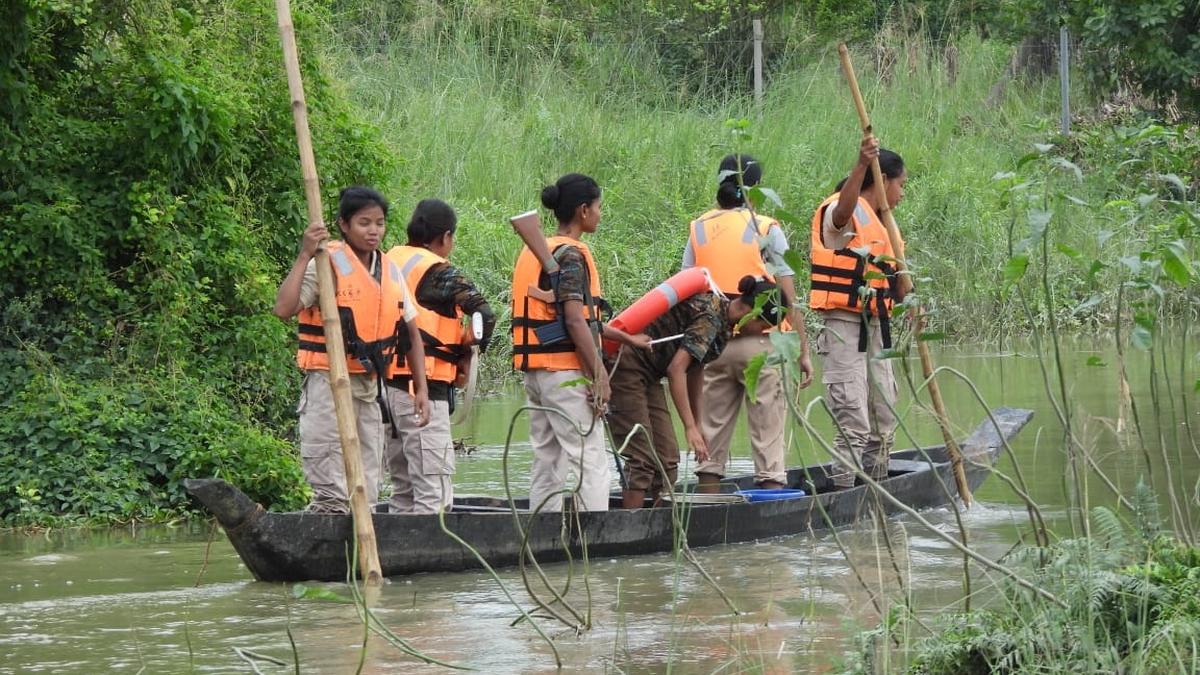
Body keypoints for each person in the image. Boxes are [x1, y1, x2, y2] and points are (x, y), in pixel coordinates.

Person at [273, 186, 430, 514]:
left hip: (368, 387)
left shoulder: (390, 271)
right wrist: (304, 254)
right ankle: (330, 528)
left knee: (367, 479)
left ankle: (366, 540)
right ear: (343, 225)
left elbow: (412, 336)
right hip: (328, 382)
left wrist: (421, 389)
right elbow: (284, 308)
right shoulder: (325, 263)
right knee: (330, 477)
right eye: (364, 223)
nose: (374, 231)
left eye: (380, 223)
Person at [511, 173, 646, 512]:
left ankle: (541, 533)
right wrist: (599, 373)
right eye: (599, 207)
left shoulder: (537, 252)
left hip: (537, 372)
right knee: (590, 460)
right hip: (564, 373)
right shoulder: (570, 254)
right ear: (583, 211)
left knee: (547, 458)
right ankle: (593, 543)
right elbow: (574, 318)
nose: (600, 214)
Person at [682, 154, 813, 493]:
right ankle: (769, 524)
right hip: (763, 344)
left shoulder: (699, 227)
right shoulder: (767, 227)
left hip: (713, 347)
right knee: (769, 444)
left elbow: (685, 291)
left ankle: (706, 509)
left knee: (708, 449)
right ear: (757, 188)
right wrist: (803, 351)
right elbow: (788, 294)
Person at [608, 276, 784, 508]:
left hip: (649, 373)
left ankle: (663, 525)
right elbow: (676, 370)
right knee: (641, 458)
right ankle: (630, 526)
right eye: (762, 326)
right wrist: (689, 427)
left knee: (668, 457)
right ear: (751, 312)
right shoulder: (711, 318)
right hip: (626, 366)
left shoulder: (724, 322)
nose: (759, 332)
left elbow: (696, 368)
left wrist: (698, 422)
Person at [385, 199, 496, 514]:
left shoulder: (388, 259)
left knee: (404, 489)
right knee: (434, 489)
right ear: (445, 237)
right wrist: (467, 352)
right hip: (424, 389)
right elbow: (484, 313)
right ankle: (427, 556)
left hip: (385, 390)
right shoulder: (438, 271)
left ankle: (399, 551)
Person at [810, 136, 907, 488]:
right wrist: (863, 163)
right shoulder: (842, 208)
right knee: (854, 423)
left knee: (883, 419)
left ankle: (877, 489)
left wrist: (911, 301)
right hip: (846, 327)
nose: (902, 194)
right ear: (883, 182)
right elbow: (840, 217)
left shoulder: (885, 226)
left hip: (878, 329)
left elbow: (898, 284)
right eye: (900, 185)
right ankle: (844, 497)